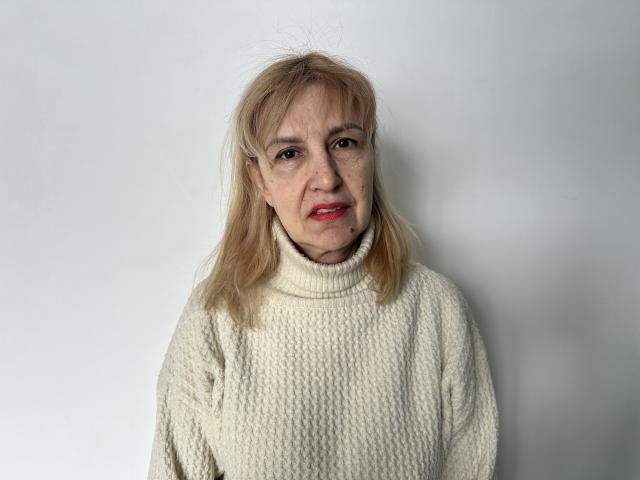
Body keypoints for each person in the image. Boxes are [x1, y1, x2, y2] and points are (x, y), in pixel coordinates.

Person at [147, 51, 498, 480]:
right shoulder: (217, 316)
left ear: (370, 155)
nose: (327, 178)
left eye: (343, 143)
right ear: (260, 182)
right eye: (289, 153)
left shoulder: (438, 312)